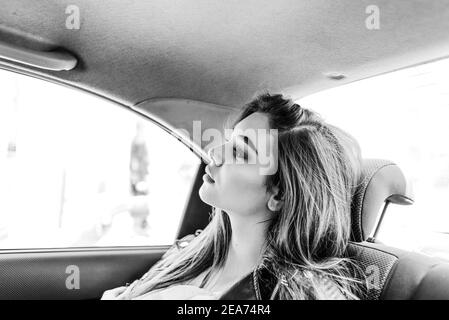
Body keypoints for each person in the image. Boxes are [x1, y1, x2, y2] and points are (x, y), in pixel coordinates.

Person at [101, 92, 365, 300]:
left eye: (240, 152)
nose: (215, 153)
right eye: (229, 141)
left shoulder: (296, 293)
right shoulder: (190, 251)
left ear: (280, 194)